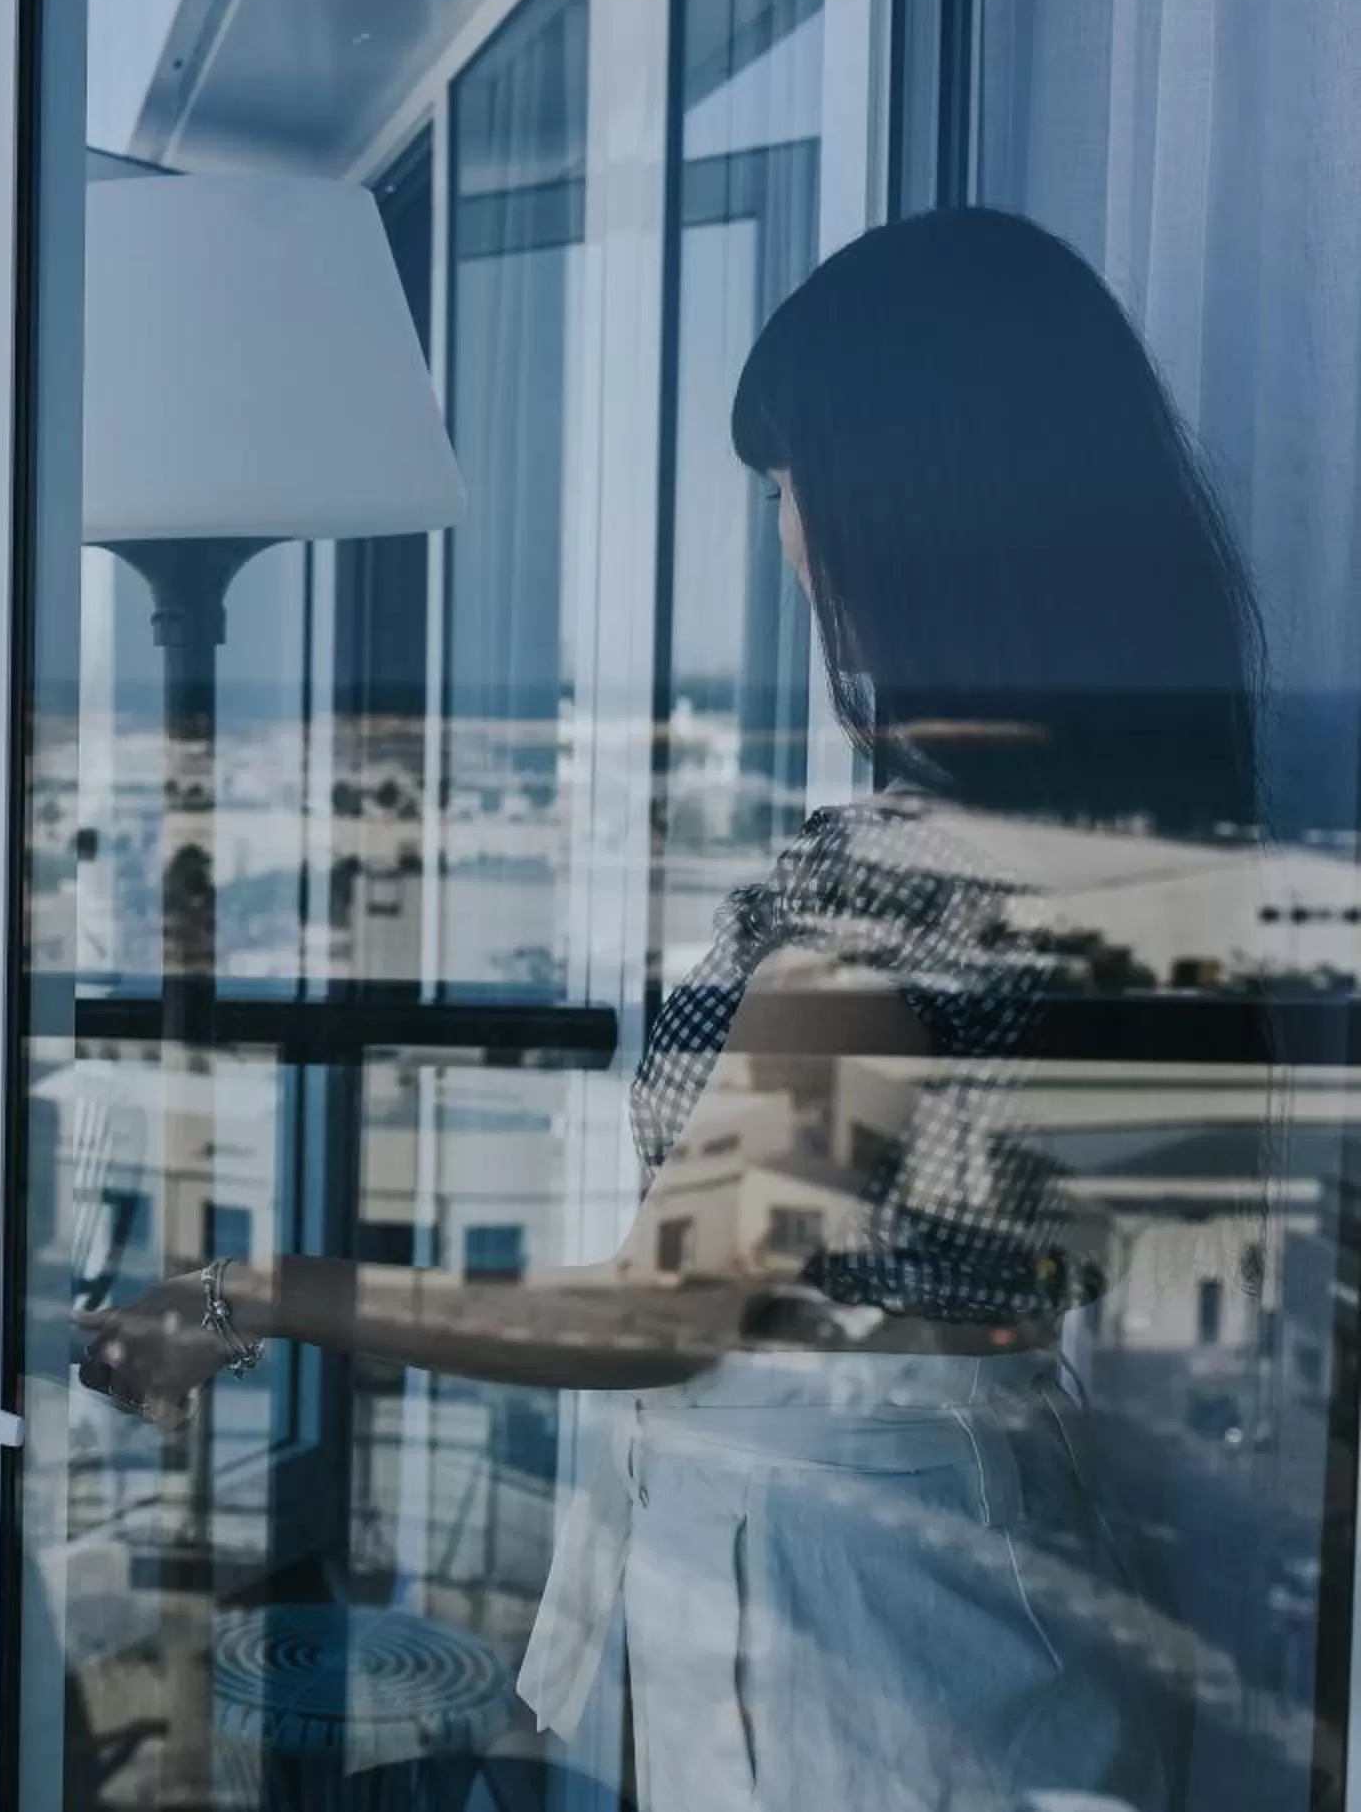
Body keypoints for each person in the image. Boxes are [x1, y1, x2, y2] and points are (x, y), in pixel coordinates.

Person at [77, 208, 1265, 1810]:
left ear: (899, 506)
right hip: (982, 1571)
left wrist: (255, 1292)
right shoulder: (1120, 848)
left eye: (791, 485)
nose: (783, 536)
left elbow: (661, 1313)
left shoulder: (886, 922)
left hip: (860, 1631)